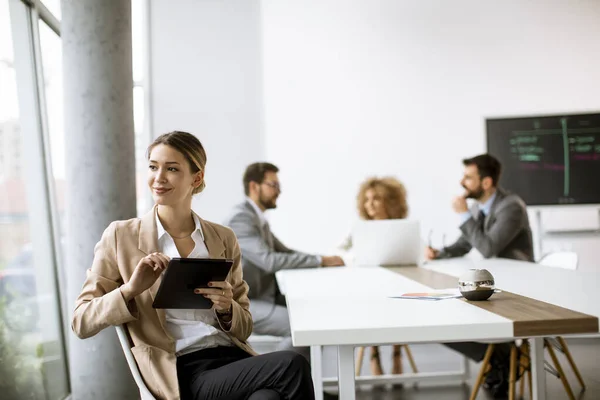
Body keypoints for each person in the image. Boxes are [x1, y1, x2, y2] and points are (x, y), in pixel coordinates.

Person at [71, 132, 314, 400]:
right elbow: (81, 321)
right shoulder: (121, 237)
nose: (159, 177)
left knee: (268, 398)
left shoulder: (222, 238)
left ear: (196, 178)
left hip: (231, 359)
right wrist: (130, 290)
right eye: (153, 166)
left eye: (172, 168)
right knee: (293, 364)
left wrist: (226, 308)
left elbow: (244, 328)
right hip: (180, 370)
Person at [424, 153, 534, 398]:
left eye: (468, 177)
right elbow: (465, 243)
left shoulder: (511, 206)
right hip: (495, 283)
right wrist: (439, 253)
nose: (462, 182)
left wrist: (463, 215)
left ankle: (501, 355)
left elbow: (487, 247)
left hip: (521, 288)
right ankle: (497, 355)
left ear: (486, 182)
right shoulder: (478, 208)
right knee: (439, 320)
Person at [223, 162, 345, 355]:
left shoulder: (257, 219)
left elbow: (286, 252)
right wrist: (320, 261)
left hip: (263, 295)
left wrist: (323, 259)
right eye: (273, 185)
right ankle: (274, 378)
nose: (278, 191)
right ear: (255, 186)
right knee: (303, 326)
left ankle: (301, 381)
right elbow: (270, 261)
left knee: (317, 315)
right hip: (242, 302)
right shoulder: (241, 219)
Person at [337, 177, 412, 377]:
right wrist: (354, 257)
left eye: (376, 199)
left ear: (390, 201)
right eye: (367, 199)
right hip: (369, 284)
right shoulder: (359, 228)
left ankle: (396, 352)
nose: (369, 204)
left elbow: (416, 250)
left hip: (398, 282)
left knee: (398, 299)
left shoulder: (402, 226)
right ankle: (374, 353)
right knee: (372, 302)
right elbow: (339, 251)